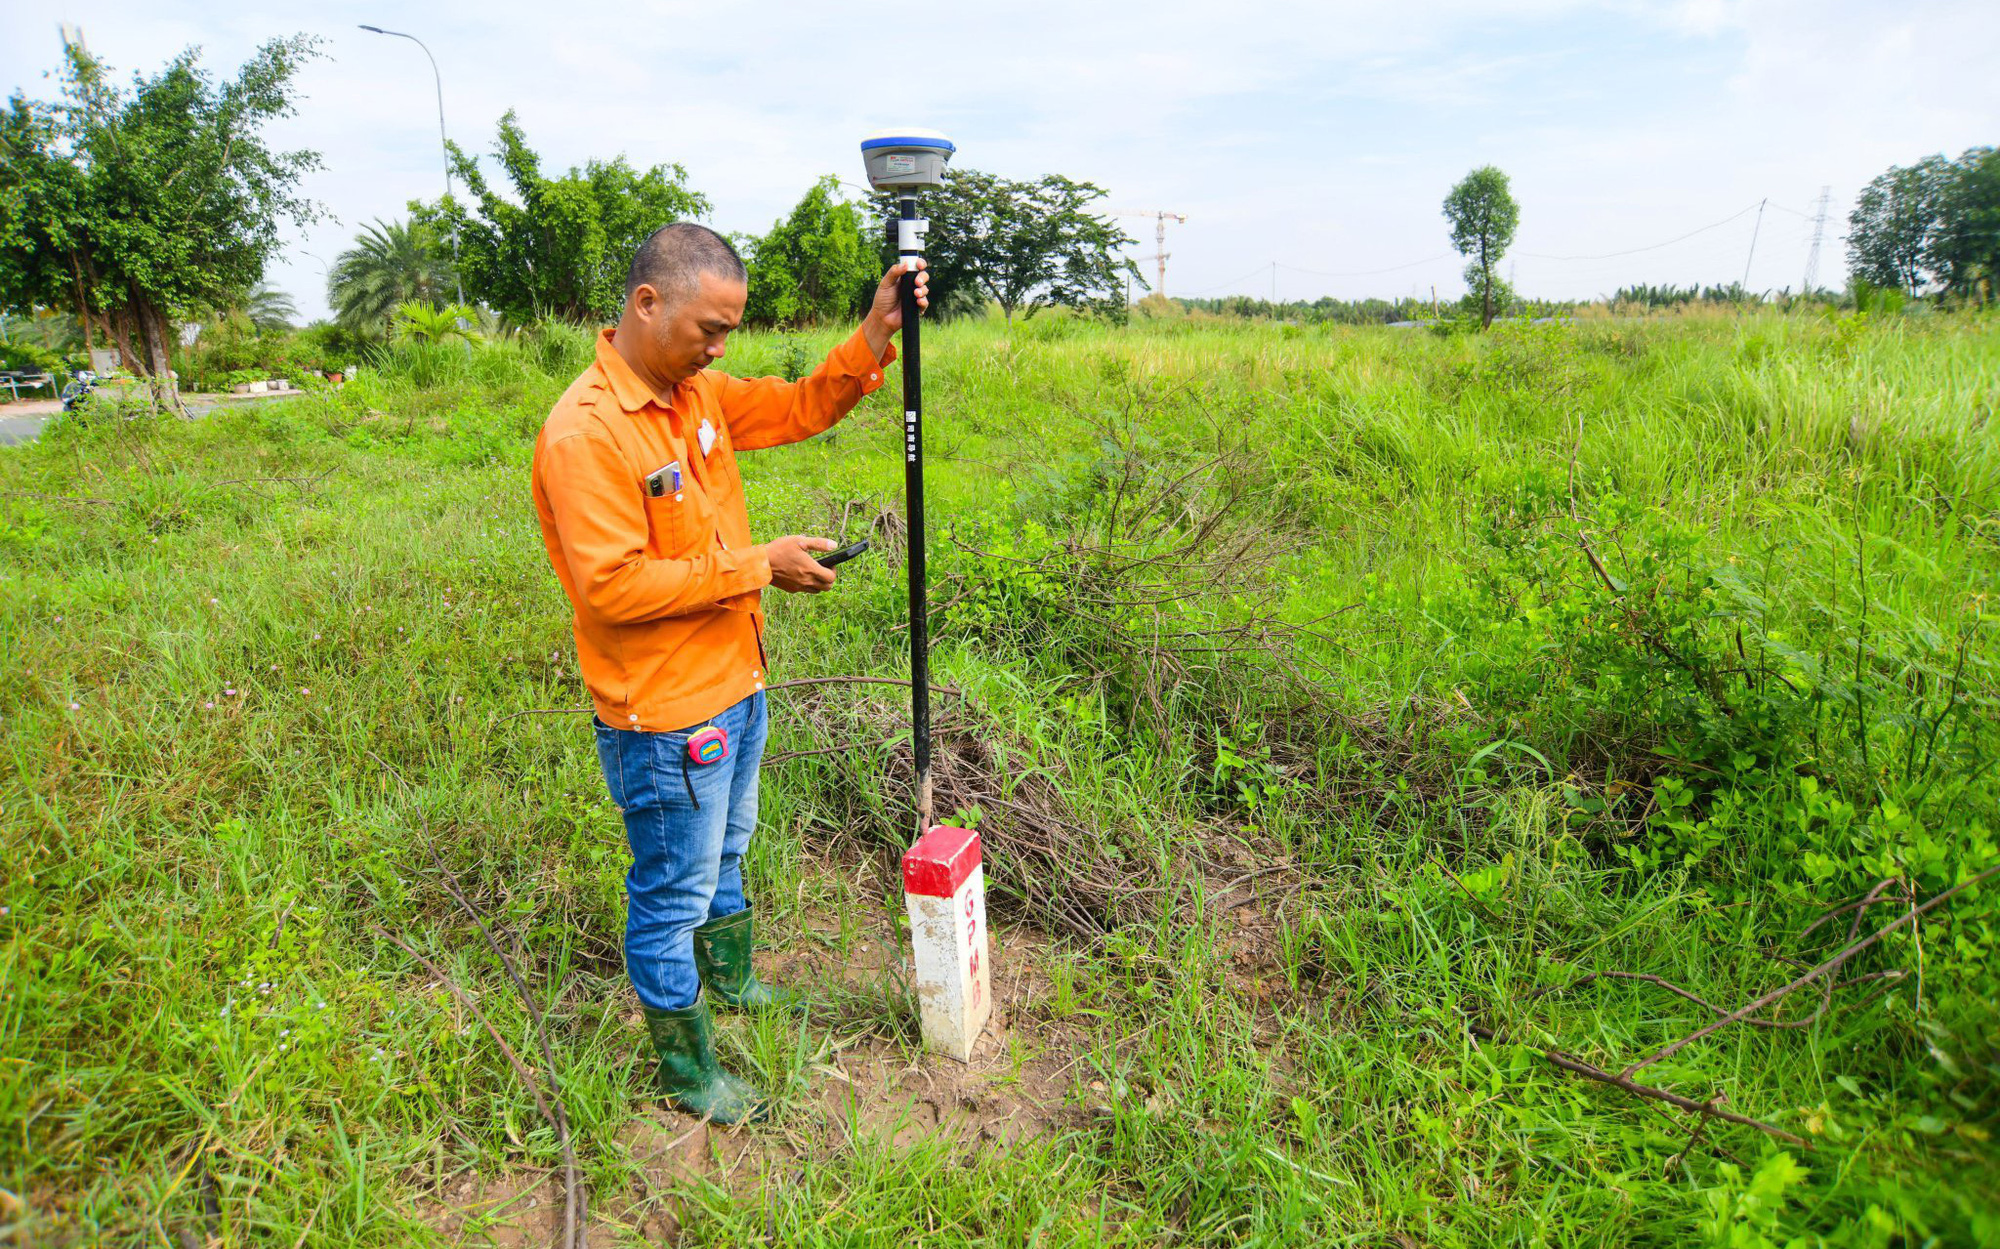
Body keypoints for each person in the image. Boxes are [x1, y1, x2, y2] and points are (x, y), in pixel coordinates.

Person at [531, 222, 928, 1123]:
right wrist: (760, 565)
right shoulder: (585, 433)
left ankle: (736, 983)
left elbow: (798, 406)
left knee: (727, 852)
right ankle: (688, 1072)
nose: (720, 348)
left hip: (735, 684)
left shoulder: (695, 393)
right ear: (646, 303)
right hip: (665, 715)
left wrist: (875, 332)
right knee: (671, 889)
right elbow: (611, 587)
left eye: (729, 333)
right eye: (709, 328)